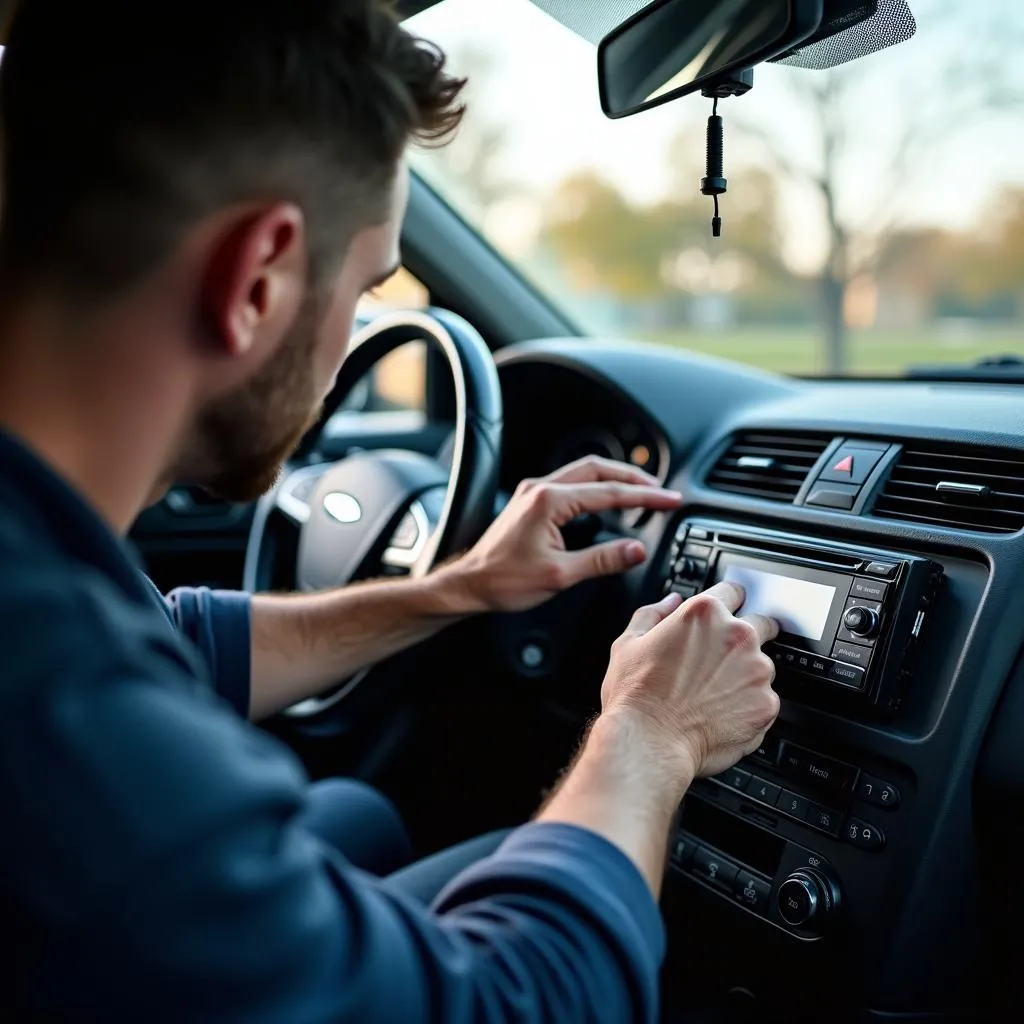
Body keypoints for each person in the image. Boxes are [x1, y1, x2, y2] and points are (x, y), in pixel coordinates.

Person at [0, 1, 781, 1020]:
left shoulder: (40, 578)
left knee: (360, 814)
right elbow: (512, 1000)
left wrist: (452, 588)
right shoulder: (58, 715)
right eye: (368, 285)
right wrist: (650, 729)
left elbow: (170, 639)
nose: (357, 330)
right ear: (258, 280)